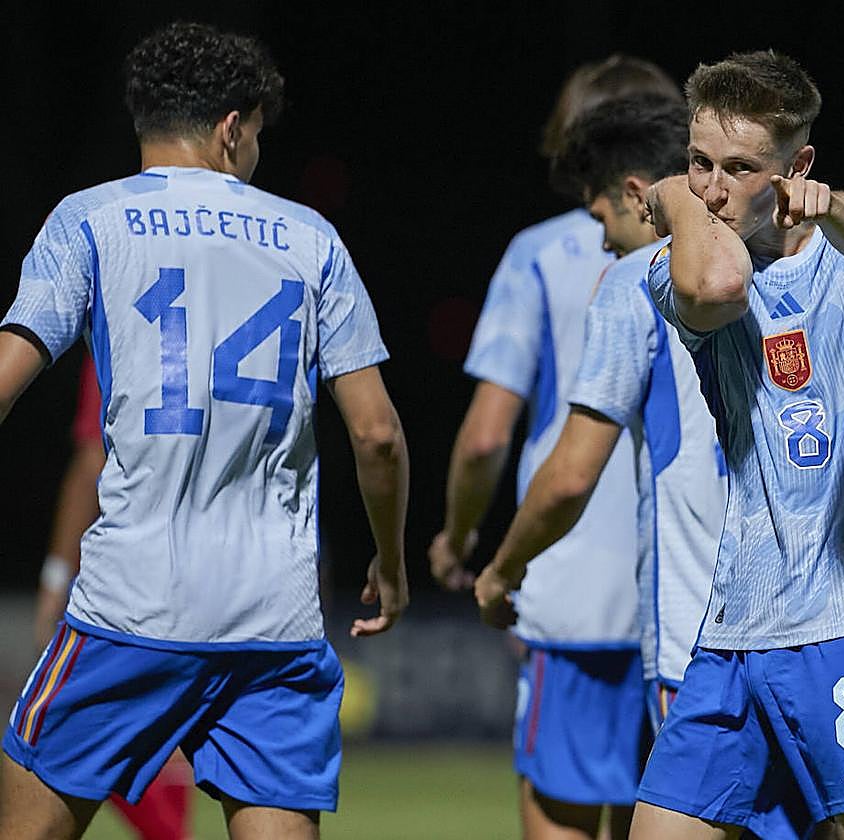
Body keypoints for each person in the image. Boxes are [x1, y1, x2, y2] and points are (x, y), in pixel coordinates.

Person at [0, 22, 409, 840]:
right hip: (275, 619)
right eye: (256, 134)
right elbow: (378, 436)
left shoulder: (88, 221)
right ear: (232, 127)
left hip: (133, 606)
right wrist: (389, 565)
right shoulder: (311, 238)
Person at [632, 50, 844, 840]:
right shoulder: (682, 261)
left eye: (740, 168)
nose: (711, 186)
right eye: (698, 162)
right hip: (738, 623)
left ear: (797, 166)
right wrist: (680, 202)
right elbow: (718, 289)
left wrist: (827, 207)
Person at [429, 56, 678, 840]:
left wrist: (463, 539)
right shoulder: (725, 251)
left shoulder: (541, 253)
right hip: (689, 599)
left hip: (572, 592)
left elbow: (485, 436)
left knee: (563, 821)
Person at [34, 356, 195, 840]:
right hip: (236, 578)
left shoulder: (126, 305)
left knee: (52, 750)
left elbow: (92, 461)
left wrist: (55, 578)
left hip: (131, 580)